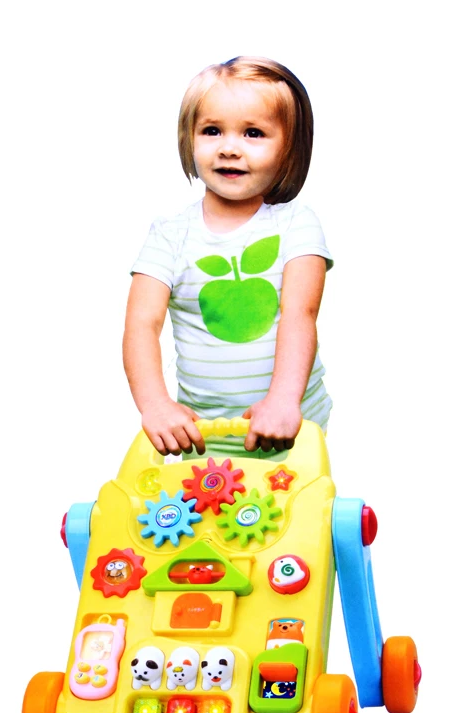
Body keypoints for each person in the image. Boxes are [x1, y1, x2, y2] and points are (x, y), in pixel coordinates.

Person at [123, 56, 333, 459]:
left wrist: (284, 401)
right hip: (203, 434)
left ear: (288, 148)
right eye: (212, 130)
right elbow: (141, 324)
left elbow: (299, 313)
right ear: (189, 139)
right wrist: (156, 406)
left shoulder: (296, 224)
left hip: (292, 427)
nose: (229, 148)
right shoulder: (169, 235)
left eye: (253, 133)